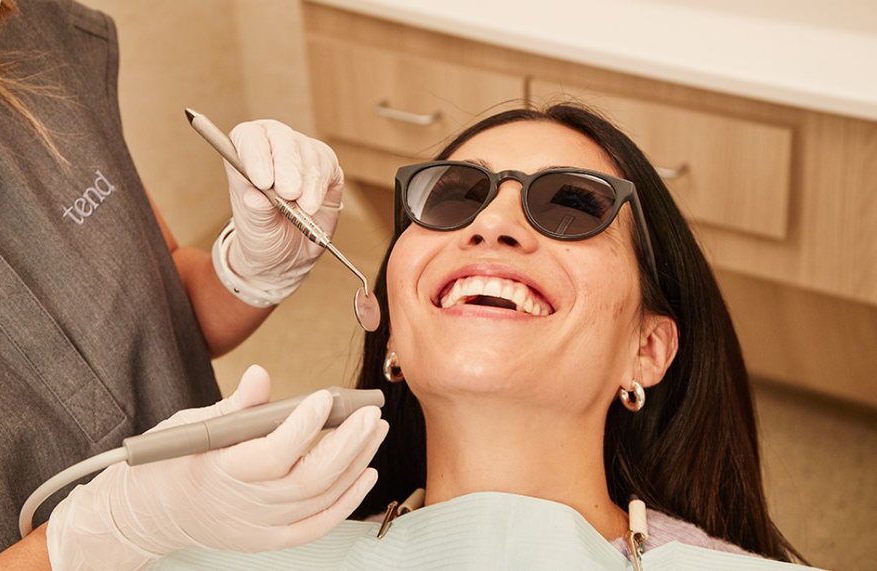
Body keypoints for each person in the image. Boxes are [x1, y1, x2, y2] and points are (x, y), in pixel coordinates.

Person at [150, 103, 810, 569]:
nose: (492, 225)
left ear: (647, 349)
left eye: (572, 205)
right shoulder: (219, 549)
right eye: (452, 196)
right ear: (393, 341)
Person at [0, 0, 386, 569]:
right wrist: (107, 531)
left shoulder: (19, 32)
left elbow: (164, 303)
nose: (492, 232)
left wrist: (249, 271)